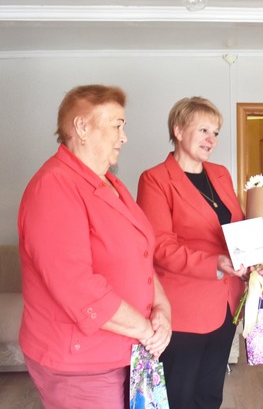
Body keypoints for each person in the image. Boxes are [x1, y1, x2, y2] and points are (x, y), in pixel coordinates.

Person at [18, 84, 172, 409]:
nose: (124, 137)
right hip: (80, 364)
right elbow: (76, 286)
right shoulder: (54, 186)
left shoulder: (111, 183)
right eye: (117, 125)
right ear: (82, 127)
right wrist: (145, 330)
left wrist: (162, 310)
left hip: (125, 349)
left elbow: (141, 257)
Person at [137, 96, 263, 409]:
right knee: (179, 396)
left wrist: (254, 260)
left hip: (228, 303)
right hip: (184, 309)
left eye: (216, 132)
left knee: (210, 394)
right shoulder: (155, 179)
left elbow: (236, 228)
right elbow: (160, 248)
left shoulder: (220, 174)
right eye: (204, 130)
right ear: (179, 130)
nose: (212, 140)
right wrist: (216, 263)